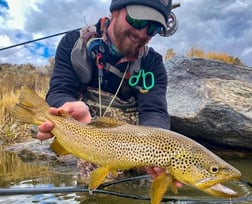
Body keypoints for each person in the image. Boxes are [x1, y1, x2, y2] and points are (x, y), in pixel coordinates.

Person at [37, 0, 182, 187]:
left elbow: (154, 111)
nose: (142, 33)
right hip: (85, 132)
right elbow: (60, 90)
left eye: (153, 28)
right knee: (94, 189)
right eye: (137, 20)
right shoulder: (74, 44)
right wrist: (66, 108)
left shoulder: (153, 64)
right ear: (115, 11)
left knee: (153, 182)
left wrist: (156, 144)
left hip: (136, 142)